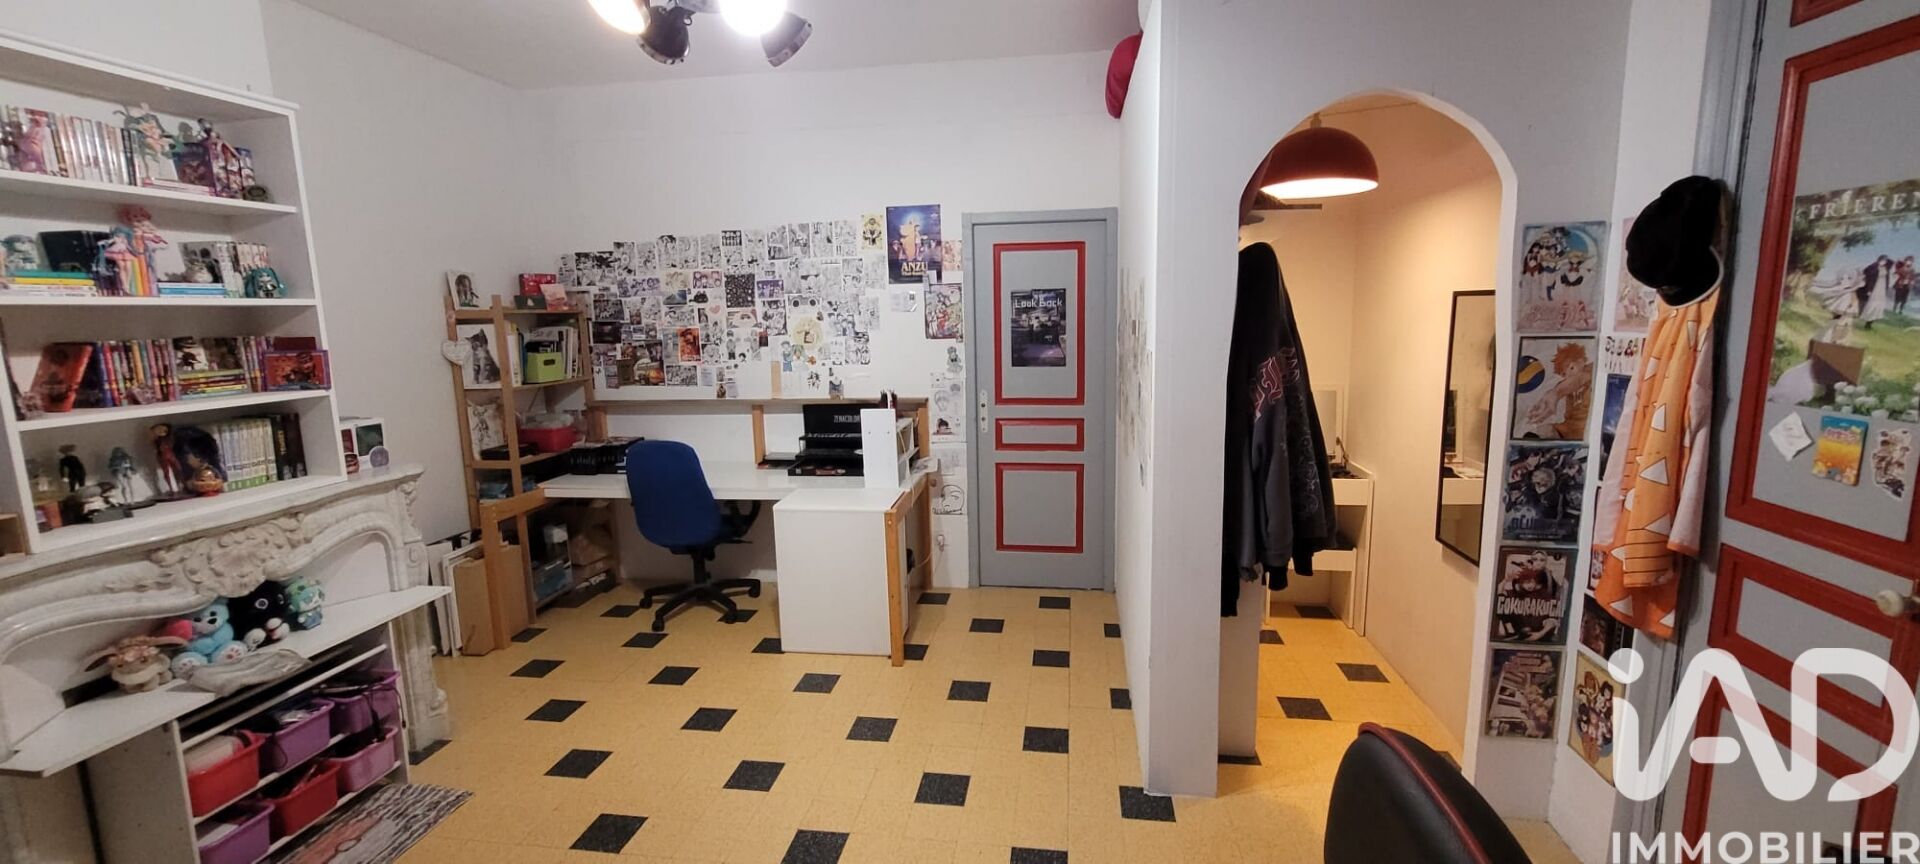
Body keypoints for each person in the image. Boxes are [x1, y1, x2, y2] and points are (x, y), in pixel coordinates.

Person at [1859, 255, 1894, 329]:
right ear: (1879, 260)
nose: (1883, 262)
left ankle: (1870, 323)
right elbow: (1866, 272)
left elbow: (1892, 262)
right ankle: (1867, 320)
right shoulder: (1873, 267)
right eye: (1882, 260)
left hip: (1882, 289)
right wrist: (1869, 289)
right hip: (1874, 288)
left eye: (1885, 261)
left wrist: (1886, 260)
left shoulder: (1886, 268)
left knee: (1878, 305)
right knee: (1872, 304)